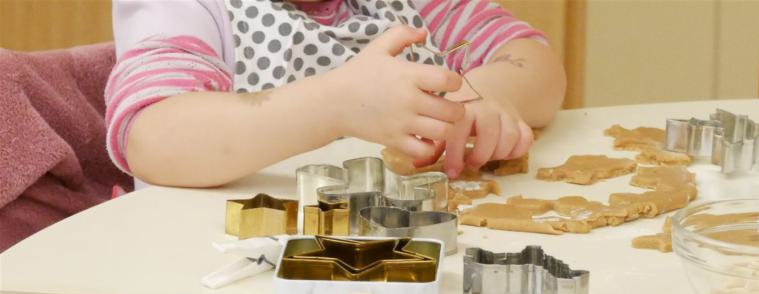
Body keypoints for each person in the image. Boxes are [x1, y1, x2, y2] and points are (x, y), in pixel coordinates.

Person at [106, 0, 566, 187]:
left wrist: (478, 94)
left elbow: (536, 65)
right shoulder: (183, 7)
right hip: (216, 276)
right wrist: (334, 106)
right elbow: (152, 137)